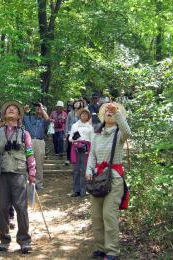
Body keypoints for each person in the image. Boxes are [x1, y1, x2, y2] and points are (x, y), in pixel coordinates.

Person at [85, 102, 132, 260]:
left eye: (112, 112)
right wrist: (89, 170)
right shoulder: (96, 133)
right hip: (98, 179)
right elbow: (92, 155)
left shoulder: (119, 133)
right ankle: (100, 248)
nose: (109, 112)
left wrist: (117, 112)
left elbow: (128, 132)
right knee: (96, 216)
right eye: (107, 111)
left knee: (108, 215)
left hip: (114, 179)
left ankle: (112, 251)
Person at [0, 101, 36, 254]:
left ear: (19, 116)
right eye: (8, 109)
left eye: (15, 109)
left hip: (19, 173)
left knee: (21, 208)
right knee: (2, 207)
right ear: (3, 115)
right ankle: (4, 239)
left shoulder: (25, 134)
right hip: (0, 174)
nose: (11, 109)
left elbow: (29, 153)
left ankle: (24, 240)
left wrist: (32, 173)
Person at [22, 102, 50, 190]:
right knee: (27, 162)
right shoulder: (29, 118)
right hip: (29, 142)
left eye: (40, 108)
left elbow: (47, 119)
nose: (38, 109)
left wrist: (42, 109)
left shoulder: (44, 121)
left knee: (39, 164)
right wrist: (24, 110)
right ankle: (28, 183)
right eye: (37, 108)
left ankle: (39, 184)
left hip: (39, 143)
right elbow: (20, 118)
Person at [69, 107, 94, 197]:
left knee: (84, 169)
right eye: (82, 114)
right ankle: (76, 190)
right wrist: (76, 139)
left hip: (86, 149)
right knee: (76, 169)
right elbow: (70, 138)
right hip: (76, 148)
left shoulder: (90, 127)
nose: (84, 116)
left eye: (86, 114)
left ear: (88, 117)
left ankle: (83, 190)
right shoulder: (74, 126)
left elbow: (92, 140)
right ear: (80, 115)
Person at [65, 99, 84, 165]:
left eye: (78, 103)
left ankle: (75, 159)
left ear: (80, 104)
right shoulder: (70, 113)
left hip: (78, 131)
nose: (76, 104)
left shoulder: (81, 113)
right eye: (75, 103)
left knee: (77, 145)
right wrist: (66, 132)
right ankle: (68, 159)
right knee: (69, 145)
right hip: (70, 131)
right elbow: (67, 123)